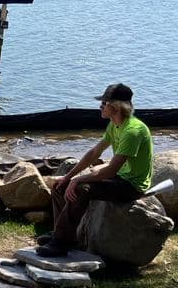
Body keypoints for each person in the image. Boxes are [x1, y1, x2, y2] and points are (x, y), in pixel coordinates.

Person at [37, 83, 153, 257]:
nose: (100, 107)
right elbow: (94, 153)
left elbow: (110, 171)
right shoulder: (114, 125)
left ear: (115, 106)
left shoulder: (133, 131)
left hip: (131, 186)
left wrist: (77, 180)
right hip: (120, 179)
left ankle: (60, 244)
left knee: (80, 189)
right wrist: (68, 177)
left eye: (103, 103)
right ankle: (63, 235)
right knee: (60, 186)